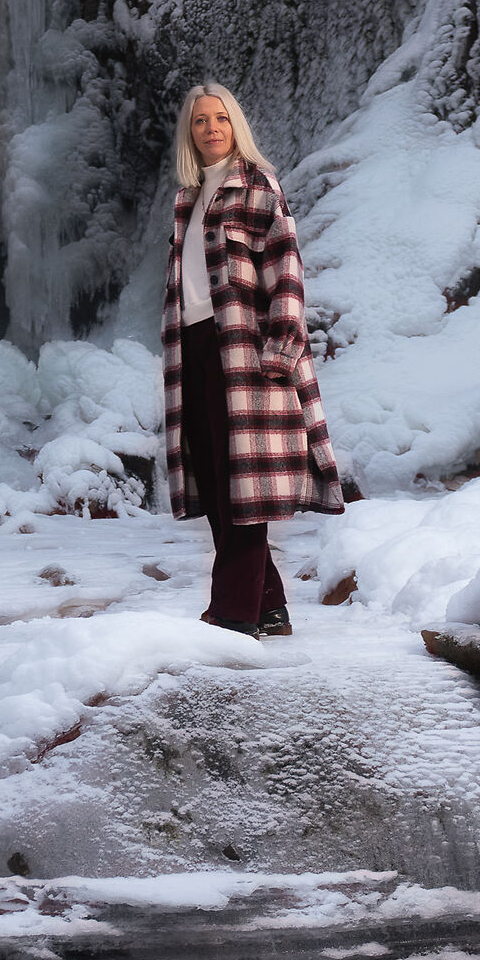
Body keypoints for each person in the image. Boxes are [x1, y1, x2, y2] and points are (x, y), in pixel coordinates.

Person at [161, 83, 343, 636]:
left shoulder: (258, 185)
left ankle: (231, 614)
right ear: (190, 133)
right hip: (193, 346)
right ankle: (269, 607)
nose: (211, 128)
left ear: (235, 125)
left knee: (244, 484)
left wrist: (281, 349)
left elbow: (287, 271)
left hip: (244, 350)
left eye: (220, 118)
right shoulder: (188, 198)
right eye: (200, 121)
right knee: (218, 481)